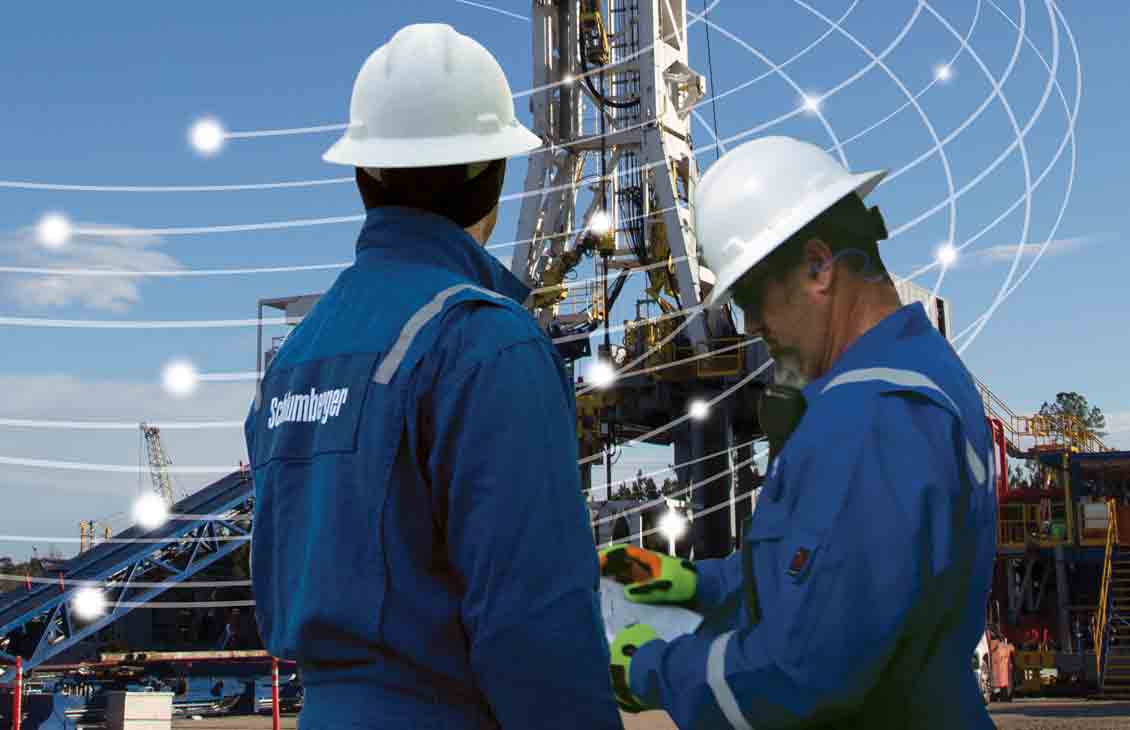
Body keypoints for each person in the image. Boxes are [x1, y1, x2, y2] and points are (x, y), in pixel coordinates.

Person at [244, 24, 622, 730]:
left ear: (362, 175)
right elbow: (536, 628)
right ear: (496, 173)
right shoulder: (486, 345)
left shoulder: (293, 363)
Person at [600, 136, 998, 729]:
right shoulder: (919, 374)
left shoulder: (871, 420)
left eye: (752, 297)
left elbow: (798, 675)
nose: (752, 324)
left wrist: (649, 670)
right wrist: (690, 582)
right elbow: (828, 575)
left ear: (818, 265)